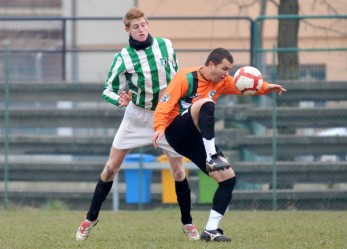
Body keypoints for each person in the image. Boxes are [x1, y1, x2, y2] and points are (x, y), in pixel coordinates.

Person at [76, 7, 199, 241]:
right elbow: (108, 90)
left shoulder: (166, 45)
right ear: (127, 30)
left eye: (143, 25)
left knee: (178, 171)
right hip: (137, 116)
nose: (141, 30)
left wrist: (181, 101)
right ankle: (90, 218)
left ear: (147, 24)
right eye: (135, 27)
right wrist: (120, 100)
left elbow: (176, 78)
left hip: (166, 115)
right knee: (111, 168)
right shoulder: (123, 57)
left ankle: (188, 223)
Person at [152, 48, 286, 242]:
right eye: (224, 68)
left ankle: (210, 230)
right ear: (211, 64)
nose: (227, 74)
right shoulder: (186, 78)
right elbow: (164, 105)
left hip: (195, 139)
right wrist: (158, 128)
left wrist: (266, 87)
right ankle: (211, 155)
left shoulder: (222, 82)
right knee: (206, 103)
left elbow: (243, 85)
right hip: (176, 131)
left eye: (230, 69)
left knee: (228, 179)